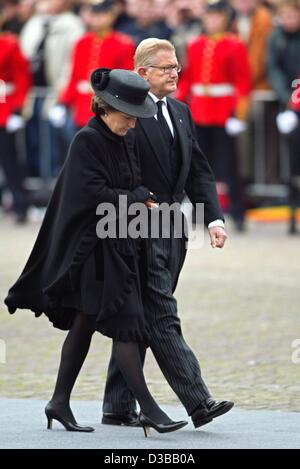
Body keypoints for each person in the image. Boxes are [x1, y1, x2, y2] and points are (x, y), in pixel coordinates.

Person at [5, 68, 188, 437]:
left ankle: (58, 402)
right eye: (128, 116)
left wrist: (144, 197)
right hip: (91, 252)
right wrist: (138, 197)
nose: (133, 124)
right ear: (106, 108)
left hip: (119, 245)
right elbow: (92, 195)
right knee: (128, 323)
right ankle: (150, 410)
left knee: (85, 324)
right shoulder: (87, 140)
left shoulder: (125, 138)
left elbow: (132, 182)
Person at [102, 38, 234, 430]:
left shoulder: (179, 111)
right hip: (137, 225)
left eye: (177, 67)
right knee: (161, 312)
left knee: (141, 313)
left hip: (175, 226)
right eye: (166, 68)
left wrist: (214, 218)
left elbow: (198, 169)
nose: (175, 73)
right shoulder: (127, 114)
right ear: (143, 73)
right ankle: (198, 401)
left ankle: (117, 403)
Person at [267, 0, 300, 234]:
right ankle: (292, 213)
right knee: (291, 162)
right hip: (289, 106)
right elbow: (272, 68)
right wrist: (286, 97)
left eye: (293, 15)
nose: (289, 20)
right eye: (285, 16)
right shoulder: (275, 38)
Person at [0, 10, 31, 223]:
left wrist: (17, 110)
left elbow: (22, 78)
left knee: (9, 160)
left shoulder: (9, 44)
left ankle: (21, 204)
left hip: (4, 106)